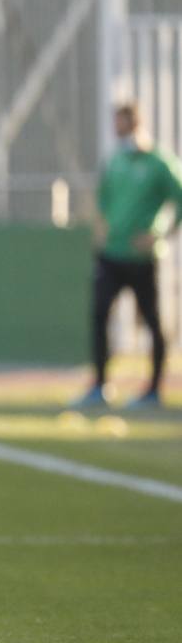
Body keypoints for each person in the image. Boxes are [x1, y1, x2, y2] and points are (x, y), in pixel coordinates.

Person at [70, 101, 182, 411]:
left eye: (119, 122)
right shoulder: (115, 160)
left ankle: (154, 389)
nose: (115, 128)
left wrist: (160, 234)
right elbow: (103, 199)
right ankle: (99, 386)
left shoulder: (160, 162)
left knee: (152, 322)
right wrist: (102, 226)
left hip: (142, 259)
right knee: (99, 314)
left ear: (134, 122)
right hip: (111, 255)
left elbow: (180, 200)